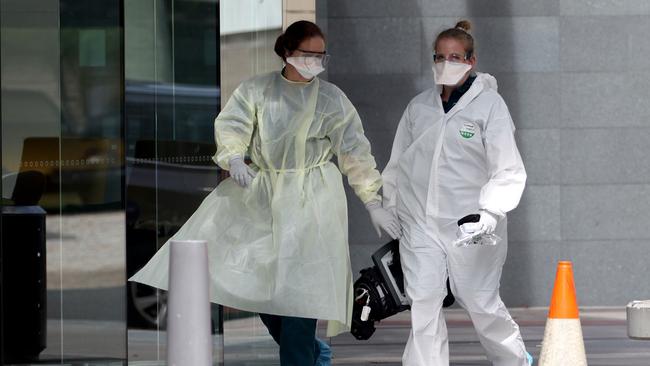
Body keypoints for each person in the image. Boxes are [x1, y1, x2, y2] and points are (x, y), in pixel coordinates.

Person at [130, 20, 400, 366]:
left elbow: (354, 152)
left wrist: (372, 201)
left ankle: (303, 356)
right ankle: (315, 353)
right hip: (262, 198)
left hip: (312, 201)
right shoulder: (257, 91)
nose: (315, 63)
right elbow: (233, 125)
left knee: (300, 295)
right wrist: (233, 157)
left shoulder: (331, 100)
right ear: (287, 52)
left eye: (322, 56)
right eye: (308, 54)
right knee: (261, 292)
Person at [382, 20, 533, 365]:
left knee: (479, 301)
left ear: (471, 61)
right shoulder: (419, 107)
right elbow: (398, 162)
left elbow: (507, 167)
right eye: (440, 57)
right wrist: (387, 204)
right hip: (420, 222)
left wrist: (490, 213)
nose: (446, 63)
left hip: (471, 225)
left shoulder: (489, 107)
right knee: (423, 301)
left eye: (455, 57)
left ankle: (514, 360)